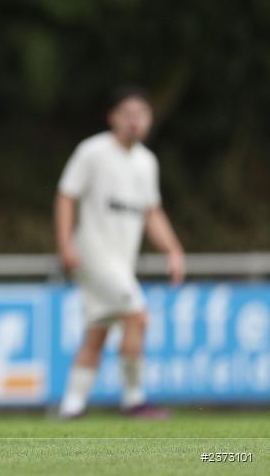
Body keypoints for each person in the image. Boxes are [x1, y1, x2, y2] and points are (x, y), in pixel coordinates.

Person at [55, 87, 185, 419]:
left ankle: (71, 407)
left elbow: (151, 212)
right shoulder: (93, 151)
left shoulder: (146, 161)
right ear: (113, 117)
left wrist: (173, 249)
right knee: (138, 316)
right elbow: (66, 196)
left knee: (98, 329)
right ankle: (134, 399)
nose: (135, 121)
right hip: (93, 253)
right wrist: (66, 243)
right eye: (128, 114)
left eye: (141, 115)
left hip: (121, 261)